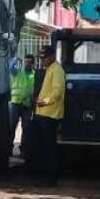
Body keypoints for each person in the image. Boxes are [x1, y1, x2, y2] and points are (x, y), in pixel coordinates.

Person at [33, 45, 65, 186]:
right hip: (43, 114)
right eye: (40, 57)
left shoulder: (57, 70)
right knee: (44, 147)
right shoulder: (48, 70)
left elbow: (58, 92)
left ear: (52, 56)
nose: (42, 60)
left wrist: (44, 101)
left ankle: (51, 179)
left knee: (49, 148)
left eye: (44, 57)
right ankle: (46, 176)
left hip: (50, 115)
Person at [3, 54, 36, 170]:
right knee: (11, 127)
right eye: (25, 62)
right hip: (15, 103)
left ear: (33, 63)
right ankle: (8, 149)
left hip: (27, 105)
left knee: (26, 129)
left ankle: (23, 150)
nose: (27, 64)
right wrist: (15, 59)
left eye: (29, 62)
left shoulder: (34, 75)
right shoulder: (17, 71)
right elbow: (9, 68)